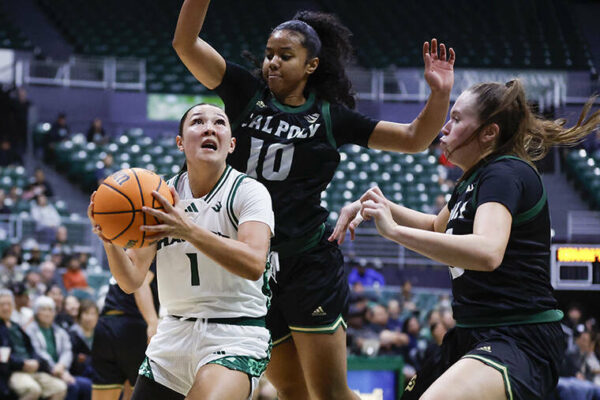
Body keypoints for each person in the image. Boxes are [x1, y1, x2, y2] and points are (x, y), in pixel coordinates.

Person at [172, 2, 454, 398]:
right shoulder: (243, 91)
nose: (272, 63)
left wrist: (440, 94)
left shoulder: (331, 117)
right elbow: (185, 43)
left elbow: (414, 139)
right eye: (269, 54)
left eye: (285, 56)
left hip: (308, 265)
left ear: (311, 66)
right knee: (292, 392)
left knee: (330, 395)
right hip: (253, 268)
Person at [332, 80, 600, 399]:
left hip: (519, 336)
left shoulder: (504, 173)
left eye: (457, 119)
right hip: (472, 333)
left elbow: (488, 252)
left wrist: (394, 231)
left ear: (489, 132)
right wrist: (381, 206)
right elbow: (435, 227)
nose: (445, 127)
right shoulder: (472, 180)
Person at [88, 103, 274, 400]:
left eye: (220, 123)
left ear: (231, 144)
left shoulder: (248, 191)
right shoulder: (158, 196)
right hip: (173, 334)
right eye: (198, 122)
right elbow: (131, 280)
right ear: (180, 142)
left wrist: (188, 230)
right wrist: (109, 239)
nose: (209, 127)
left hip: (234, 333)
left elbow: (254, 262)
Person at [91, 267, 158, 400]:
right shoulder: (152, 248)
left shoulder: (127, 250)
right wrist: (153, 322)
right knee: (143, 390)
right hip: (133, 325)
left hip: (106, 324)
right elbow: (142, 284)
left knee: (107, 390)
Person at [0, 289, 67, 400]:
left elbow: (31, 349)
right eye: (2, 304)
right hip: (12, 371)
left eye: (9, 304)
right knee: (32, 389)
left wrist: (36, 361)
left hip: (32, 368)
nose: (6, 308)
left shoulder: (16, 326)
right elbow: (3, 358)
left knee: (59, 388)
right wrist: (22, 364)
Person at [26, 296, 92, 400]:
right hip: (43, 371)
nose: (47, 313)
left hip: (62, 371)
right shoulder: (30, 331)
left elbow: (67, 351)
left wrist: (61, 366)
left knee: (88, 386)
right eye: (43, 309)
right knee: (72, 387)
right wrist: (57, 370)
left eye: (50, 310)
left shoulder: (60, 331)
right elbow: (38, 353)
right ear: (37, 313)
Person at [69, 300, 98, 379]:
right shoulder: (72, 334)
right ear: (79, 316)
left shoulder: (101, 334)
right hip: (79, 375)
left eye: (92, 314)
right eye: (86, 313)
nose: (89, 318)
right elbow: (74, 360)